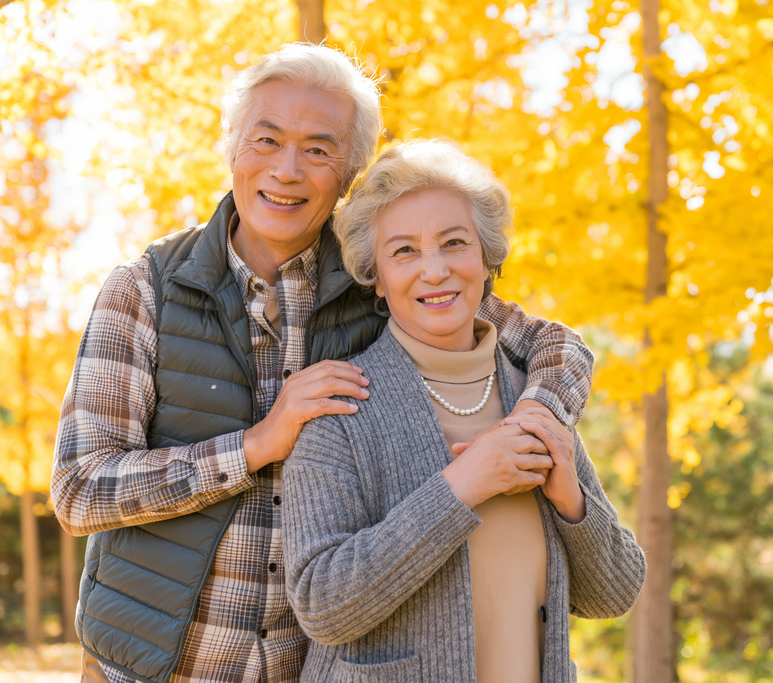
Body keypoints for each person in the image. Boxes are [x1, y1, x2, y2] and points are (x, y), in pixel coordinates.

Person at [52, 45, 596, 683]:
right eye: (267, 139)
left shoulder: (384, 278)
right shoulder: (143, 290)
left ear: (349, 173)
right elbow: (80, 489)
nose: (287, 170)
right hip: (147, 670)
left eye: (318, 149)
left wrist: (532, 421)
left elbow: (559, 348)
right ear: (232, 147)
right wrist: (255, 445)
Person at [283, 139, 645, 682]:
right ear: (376, 277)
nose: (434, 271)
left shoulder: (534, 395)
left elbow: (614, 593)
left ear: (484, 257)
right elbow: (322, 605)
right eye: (404, 251)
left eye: (454, 243)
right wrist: (462, 486)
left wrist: (570, 497)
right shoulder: (341, 407)